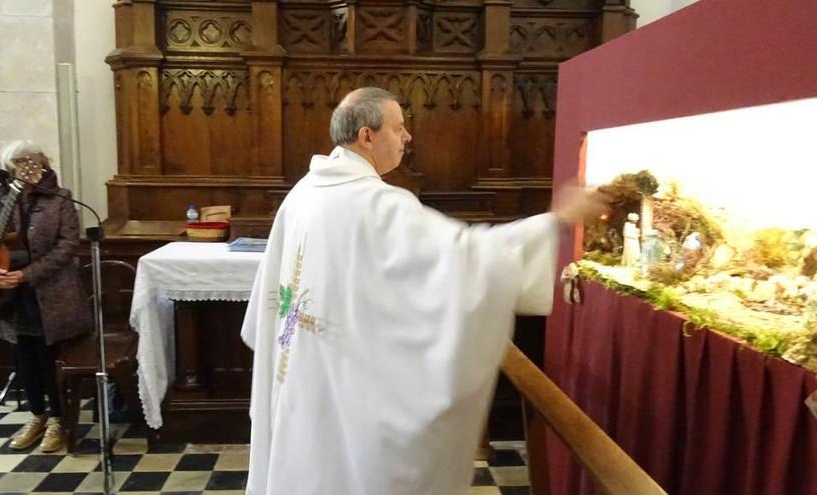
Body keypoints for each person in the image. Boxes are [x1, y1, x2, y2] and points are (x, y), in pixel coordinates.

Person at [241, 87, 606, 495]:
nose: (408, 136)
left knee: (310, 464)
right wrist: (556, 220)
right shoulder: (377, 204)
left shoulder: (302, 194)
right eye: (399, 127)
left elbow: (272, 311)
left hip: (303, 376)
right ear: (367, 136)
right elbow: (467, 257)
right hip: (346, 390)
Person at [0, 140, 91, 452]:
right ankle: (37, 415)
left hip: (50, 293)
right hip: (5, 294)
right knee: (23, 358)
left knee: (48, 358)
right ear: (9, 167)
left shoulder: (60, 199)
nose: (25, 165)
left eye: (31, 160)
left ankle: (59, 420)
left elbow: (68, 244)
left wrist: (28, 274)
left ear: (42, 163)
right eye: (18, 161)